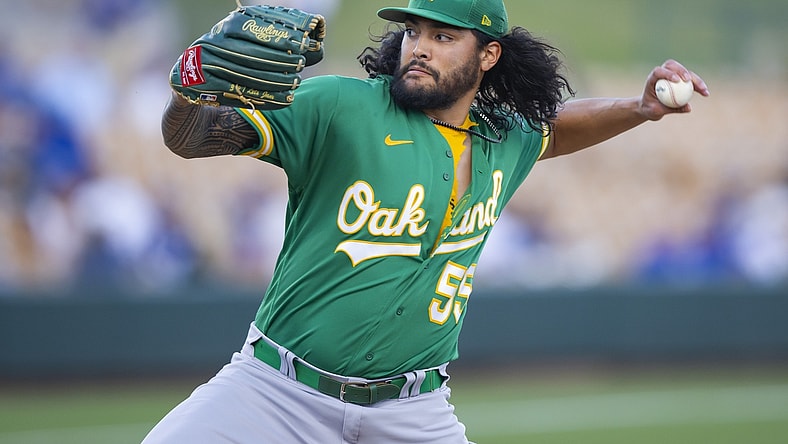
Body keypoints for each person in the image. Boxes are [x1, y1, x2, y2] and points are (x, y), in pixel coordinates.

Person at [144, 0, 709, 442]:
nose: (419, 47)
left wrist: (639, 109)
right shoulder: (341, 107)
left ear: (487, 56)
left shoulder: (502, 139)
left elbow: (555, 129)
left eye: (443, 37)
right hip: (277, 392)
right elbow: (191, 139)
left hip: (412, 412)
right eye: (413, 31)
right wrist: (191, 87)